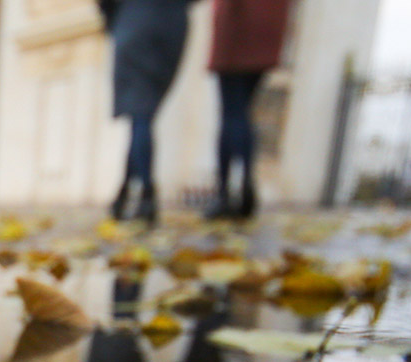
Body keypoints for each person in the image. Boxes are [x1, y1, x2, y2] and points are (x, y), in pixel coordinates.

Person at [99, 0, 194, 226]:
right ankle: (124, 193)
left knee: (140, 116)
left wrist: (113, 23)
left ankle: (145, 194)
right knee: (144, 116)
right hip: (171, 27)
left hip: (134, 23)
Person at [204, 0, 292, 220]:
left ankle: (225, 192)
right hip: (267, 34)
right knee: (242, 112)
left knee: (231, 114)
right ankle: (246, 183)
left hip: (236, 32)